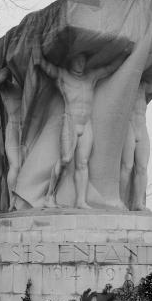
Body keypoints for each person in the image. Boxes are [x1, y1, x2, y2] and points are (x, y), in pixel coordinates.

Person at [32, 46, 129, 209]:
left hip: (86, 124)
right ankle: (49, 196)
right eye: (78, 61)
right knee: (65, 160)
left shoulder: (90, 77)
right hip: (70, 121)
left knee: (83, 163)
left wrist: (125, 53)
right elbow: (47, 67)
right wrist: (37, 55)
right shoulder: (63, 75)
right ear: (71, 62)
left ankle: (80, 200)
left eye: (83, 61)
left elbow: (108, 69)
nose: (81, 64)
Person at [120, 77, 152, 210]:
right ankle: (120, 200)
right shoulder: (126, 83)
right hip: (129, 127)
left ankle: (138, 202)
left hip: (142, 128)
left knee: (142, 168)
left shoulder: (144, 86)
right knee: (126, 167)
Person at [0, 67, 22, 211]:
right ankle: (12, 201)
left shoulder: (26, 87)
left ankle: (23, 200)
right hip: (13, 129)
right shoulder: (7, 88)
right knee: (15, 166)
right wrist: (10, 66)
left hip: (28, 129)